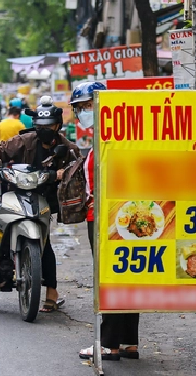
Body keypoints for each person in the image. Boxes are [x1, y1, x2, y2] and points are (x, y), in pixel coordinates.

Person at [0, 97, 80, 313]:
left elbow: (77, 166)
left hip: (45, 199)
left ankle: (51, 292)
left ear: (57, 126)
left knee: (45, 243)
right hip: (16, 194)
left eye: (48, 127)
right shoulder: (25, 140)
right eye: (40, 127)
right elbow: (0, 151)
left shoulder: (67, 148)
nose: (44, 131)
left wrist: (63, 173)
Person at [72, 81, 140, 362]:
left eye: (84, 107)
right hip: (124, 215)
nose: (81, 114)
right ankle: (128, 342)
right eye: (79, 110)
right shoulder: (115, 135)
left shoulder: (110, 139)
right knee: (126, 274)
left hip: (106, 217)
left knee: (110, 276)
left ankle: (109, 344)